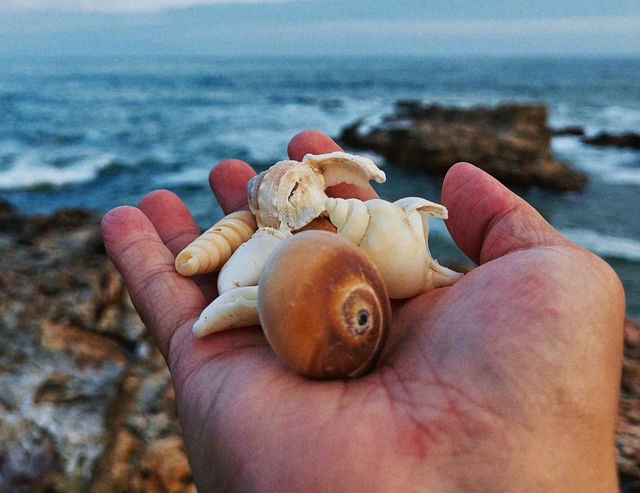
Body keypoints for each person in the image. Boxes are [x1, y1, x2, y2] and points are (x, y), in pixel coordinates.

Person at [101, 130, 624, 492]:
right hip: (330, 268)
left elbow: (242, 284)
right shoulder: (281, 237)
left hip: (345, 276)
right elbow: (239, 277)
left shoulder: (326, 224)